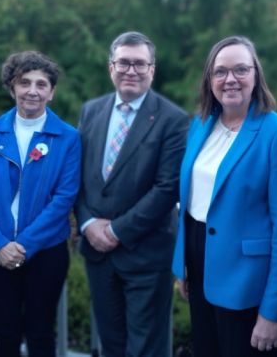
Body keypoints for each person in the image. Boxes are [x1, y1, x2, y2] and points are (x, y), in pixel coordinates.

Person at [172, 36, 277, 357]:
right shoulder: (201, 123)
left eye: (240, 70)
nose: (230, 79)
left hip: (248, 285)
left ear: (256, 75)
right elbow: (192, 201)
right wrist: (184, 265)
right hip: (200, 266)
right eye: (220, 72)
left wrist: (273, 312)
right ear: (210, 80)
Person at [75, 31, 188, 357]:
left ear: (152, 70)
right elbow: (78, 178)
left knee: (146, 350)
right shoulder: (91, 111)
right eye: (124, 62)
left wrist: (116, 230)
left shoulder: (173, 120)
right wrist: (86, 224)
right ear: (111, 67)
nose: (131, 70)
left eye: (140, 64)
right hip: (98, 256)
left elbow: (168, 188)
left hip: (145, 256)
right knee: (111, 346)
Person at [0, 51, 80, 357]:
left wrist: (25, 244)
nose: (33, 90)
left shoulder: (68, 137)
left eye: (41, 84)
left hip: (45, 251)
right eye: (24, 82)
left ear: (51, 92)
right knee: (5, 334)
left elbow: (63, 199)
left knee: (41, 334)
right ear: (12, 87)